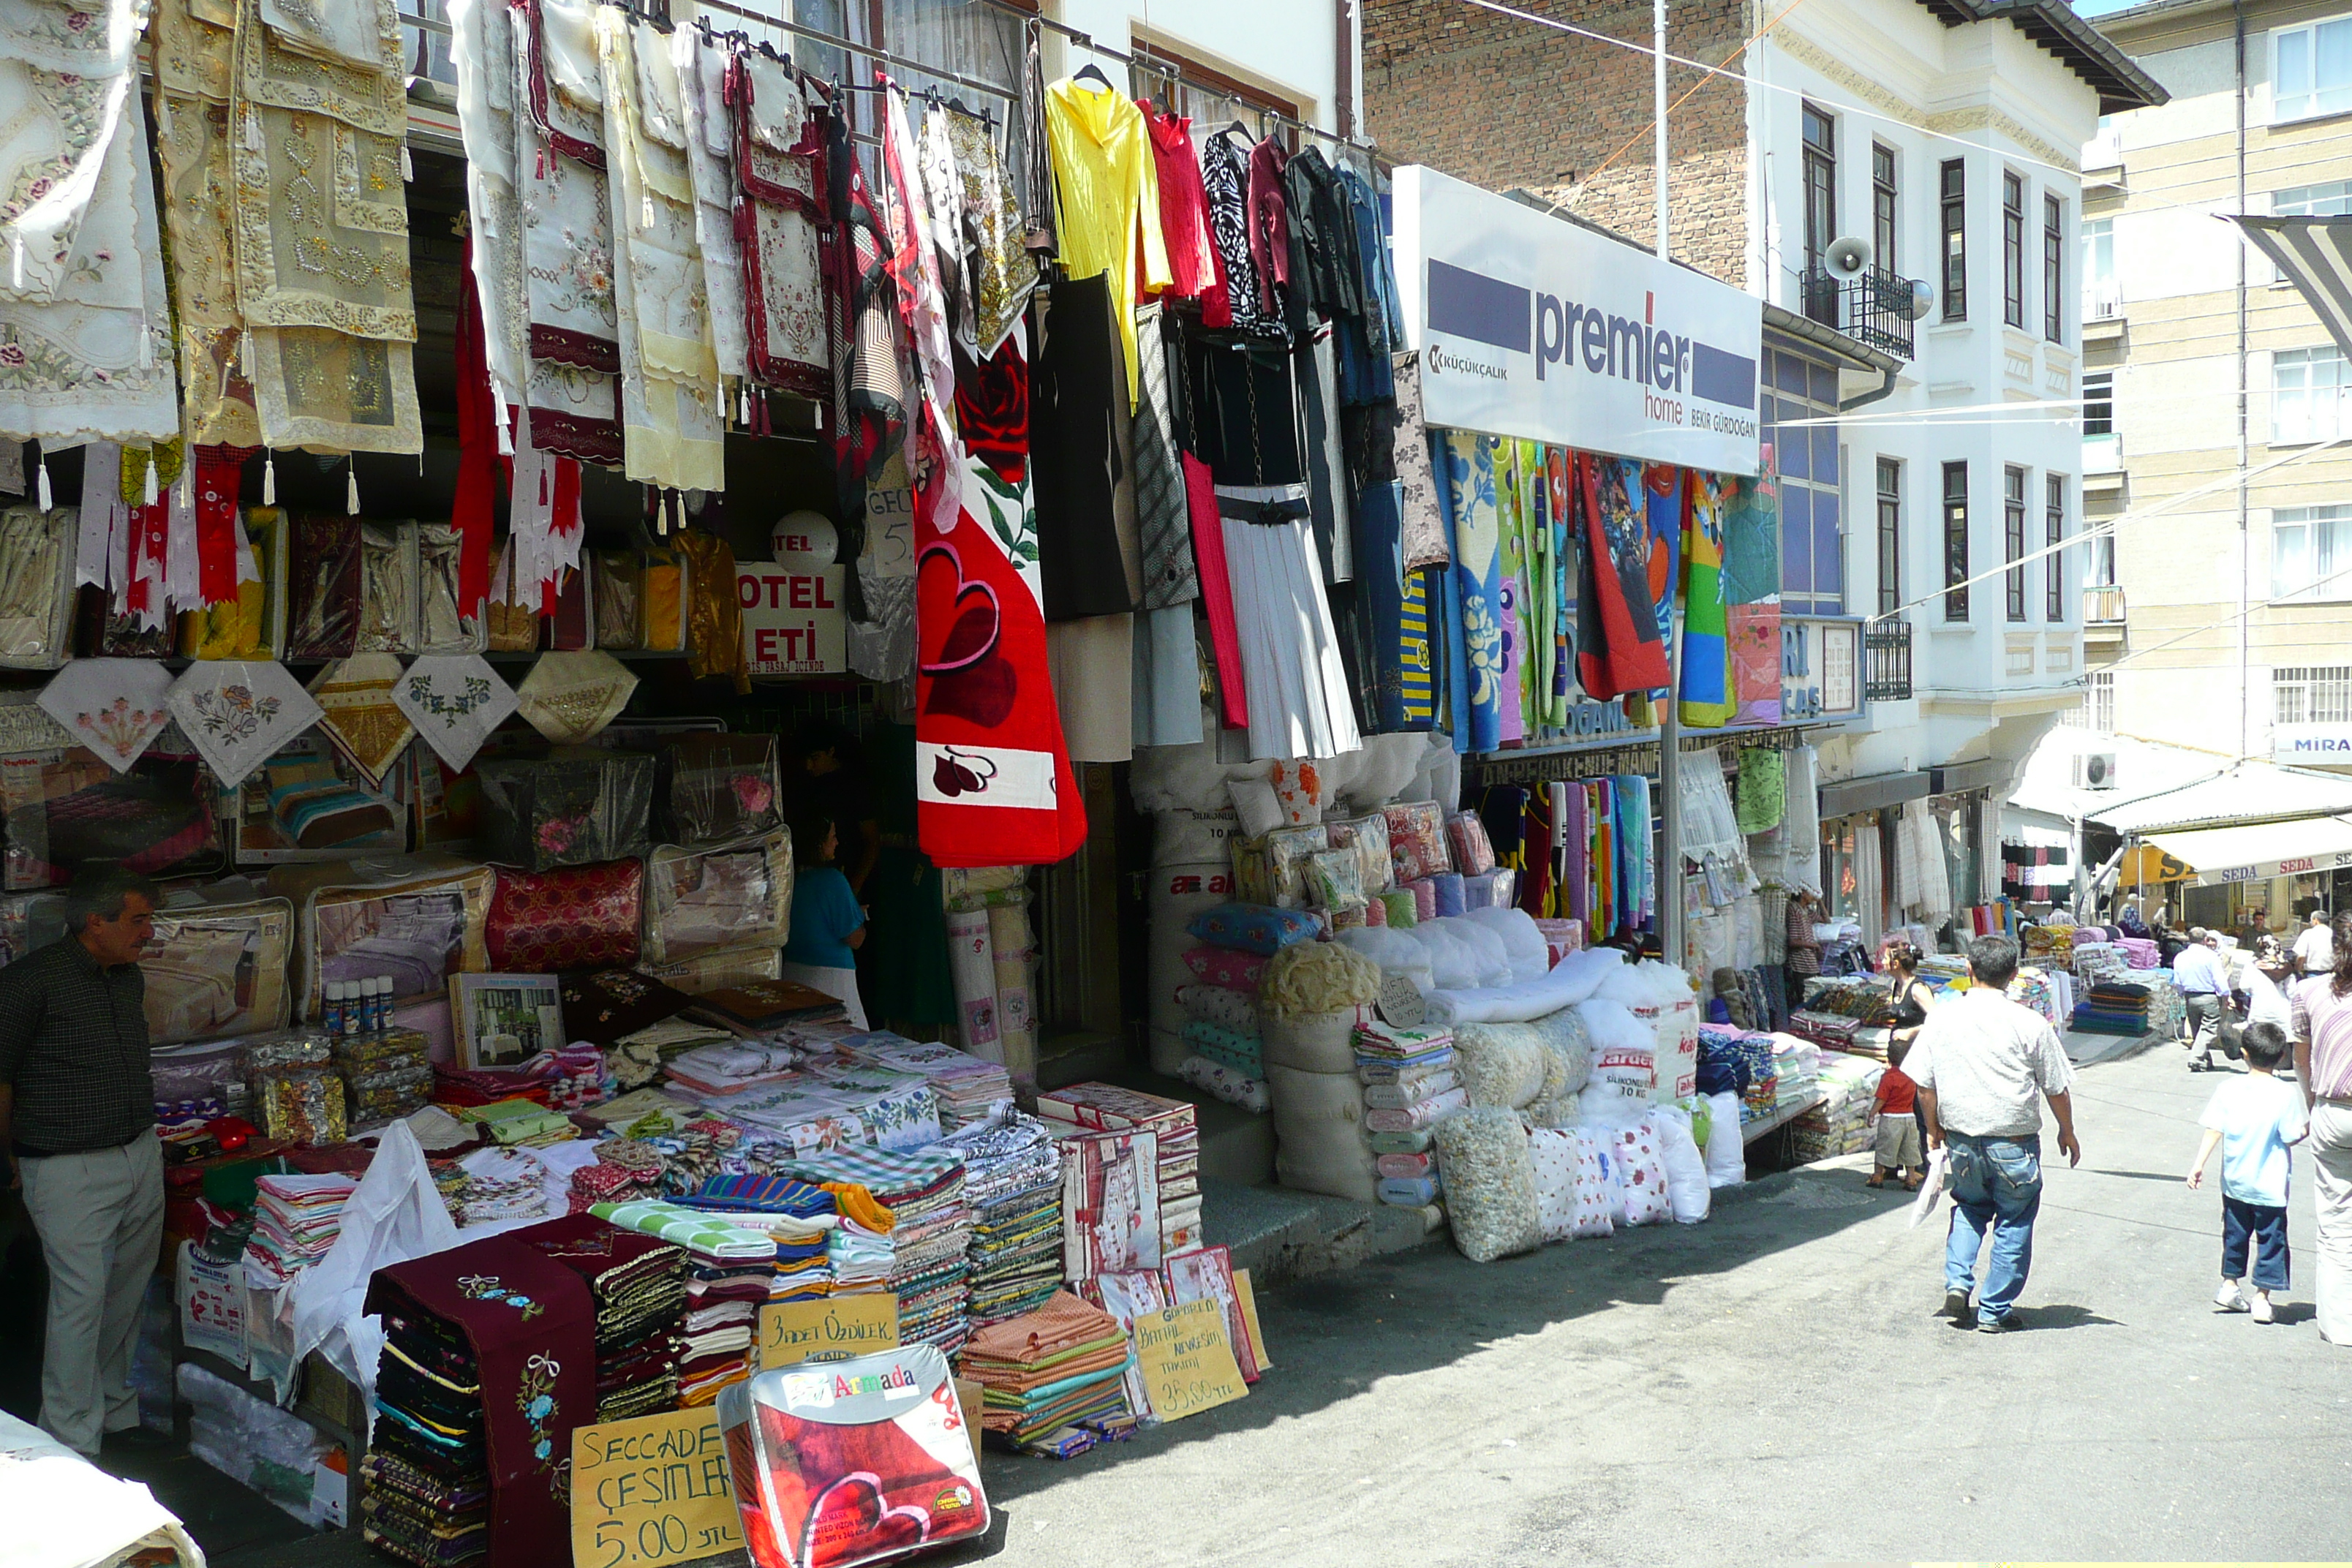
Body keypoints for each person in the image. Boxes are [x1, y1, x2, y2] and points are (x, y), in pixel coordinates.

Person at [0, 864, 165, 1457]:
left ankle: (116, 1412)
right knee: (80, 1300)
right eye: (139, 919)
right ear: (95, 921)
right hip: (67, 1164)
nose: (149, 932)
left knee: (127, 1289)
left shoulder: (127, 978)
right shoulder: (30, 983)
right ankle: (70, 1437)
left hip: (138, 1151)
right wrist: (9, 1160)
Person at [1910, 933, 2083, 1333]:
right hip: (2014, 1145)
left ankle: (1958, 1283)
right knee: (2014, 1219)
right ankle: (1994, 1310)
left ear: (1968, 971)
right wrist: (2068, 1132)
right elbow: (2056, 1086)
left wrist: (1933, 1132)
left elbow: (1924, 1087)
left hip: (1963, 1141)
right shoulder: (2031, 1023)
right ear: (2014, 976)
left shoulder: (1941, 1018)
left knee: (1970, 1209)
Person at [2187, 1021, 2307, 1324]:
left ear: (2243, 1054)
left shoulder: (2228, 1088)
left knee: (2235, 1235)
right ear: (2282, 1056)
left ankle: (2229, 1285)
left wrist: (2198, 1164)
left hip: (2235, 1183)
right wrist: (2307, 1127)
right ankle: (2262, 1298)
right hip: (2270, 1186)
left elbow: (2215, 1127)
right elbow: (2291, 1135)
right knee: (2271, 1240)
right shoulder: (2285, 1094)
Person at [2290, 908, 2352, 1346]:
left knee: (2335, 1222)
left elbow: (2300, 1060)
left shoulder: (2307, 992)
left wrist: (2311, 1106)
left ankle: (2339, 1324)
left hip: (2332, 1111)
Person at [781, 813, 869, 1029]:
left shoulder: (788, 881)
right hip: (832, 981)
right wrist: (860, 918)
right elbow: (855, 938)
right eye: (832, 837)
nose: (836, 843)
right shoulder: (833, 880)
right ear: (818, 843)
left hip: (791, 976)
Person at [787, 721, 881, 900]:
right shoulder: (807, 786)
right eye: (805, 760)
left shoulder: (854, 786)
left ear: (831, 752)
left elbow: (872, 842)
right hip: (818, 880)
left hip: (852, 876)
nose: (809, 766)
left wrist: (853, 889)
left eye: (815, 758)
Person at [2174, 927, 2236, 1071]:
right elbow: (2219, 979)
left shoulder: (2181, 957)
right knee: (2209, 1029)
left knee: (2197, 1031)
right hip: (2208, 997)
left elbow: (2177, 981)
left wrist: (2181, 993)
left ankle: (2205, 1061)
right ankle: (2196, 1058)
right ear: (2205, 940)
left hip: (2190, 997)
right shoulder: (2211, 956)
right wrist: (2226, 996)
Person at [1869, 1038, 1926, 1191]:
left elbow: (1882, 1098)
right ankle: (1911, 1178)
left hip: (1891, 1119)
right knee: (1910, 1149)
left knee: (1884, 1148)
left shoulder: (1889, 1077)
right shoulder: (1912, 1075)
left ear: (1888, 1059)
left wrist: (1872, 1113)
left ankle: (1877, 1176)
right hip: (1909, 1117)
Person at [2296, 908, 2334, 979]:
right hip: (2331, 974)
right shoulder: (2333, 934)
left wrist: (2297, 972)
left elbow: (2301, 956)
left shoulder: (2308, 933)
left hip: (2312, 975)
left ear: (2316, 920)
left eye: (2311, 920)